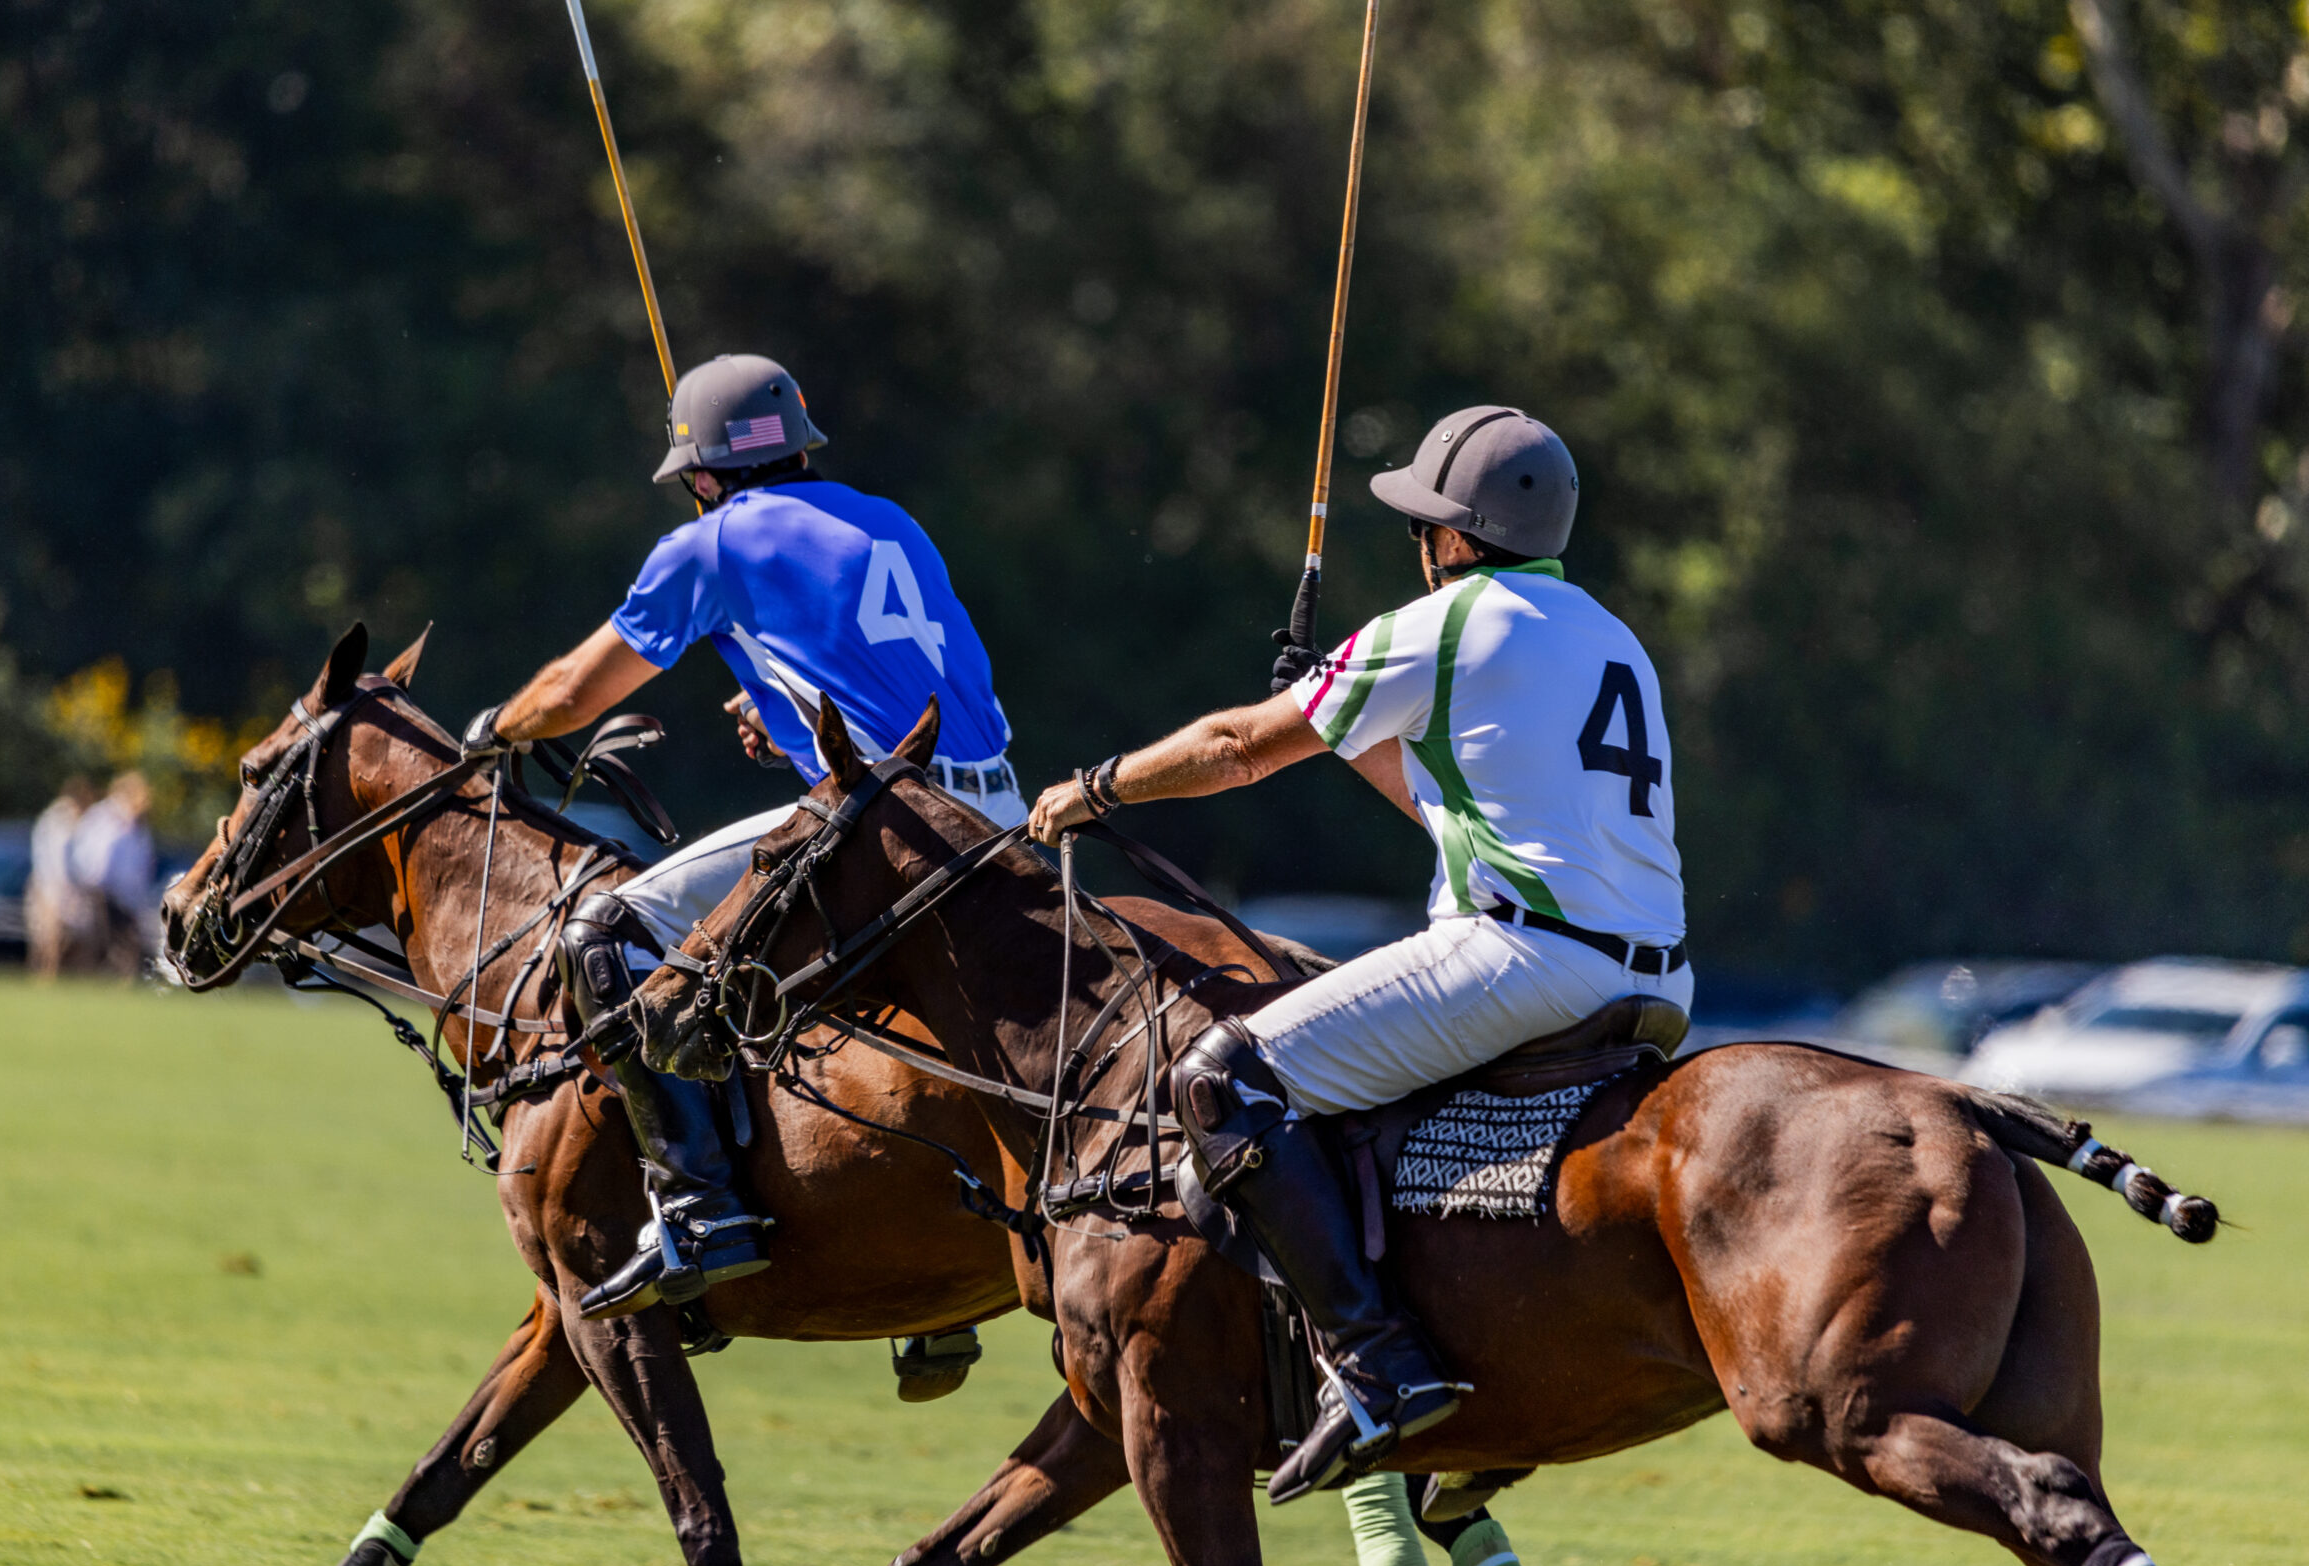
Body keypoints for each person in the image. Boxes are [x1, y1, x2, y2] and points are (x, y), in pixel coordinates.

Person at [1030, 406, 1690, 1503]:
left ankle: (1373, 1361)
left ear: (1454, 538)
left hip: (1517, 959)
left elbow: (1236, 748)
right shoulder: (1608, 636)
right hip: (1653, 981)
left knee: (1222, 1077)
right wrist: (1343, 722)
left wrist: (1098, 787)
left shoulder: (1444, 623)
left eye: (1426, 527)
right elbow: (1459, 818)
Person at [464, 352, 1023, 1319]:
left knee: (604, 931)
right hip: (1005, 810)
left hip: (889, 826)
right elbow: (911, 681)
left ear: (707, 475)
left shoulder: (711, 547)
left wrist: (495, 730)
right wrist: (793, 718)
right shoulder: (890, 519)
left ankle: (700, 1205)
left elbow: (571, 694)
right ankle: (928, 1317)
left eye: (693, 485)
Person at [70, 771, 161, 980]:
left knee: (127, 949)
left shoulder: (138, 825)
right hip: (101, 894)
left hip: (126, 899)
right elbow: (93, 859)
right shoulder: (104, 818)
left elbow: (142, 865)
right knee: (100, 947)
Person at [26, 774, 98, 979]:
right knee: (49, 943)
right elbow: (51, 863)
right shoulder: (56, 821)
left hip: (71, 891)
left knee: (78, 943)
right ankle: (44, 981)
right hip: (50, 887)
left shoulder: (79, 824)